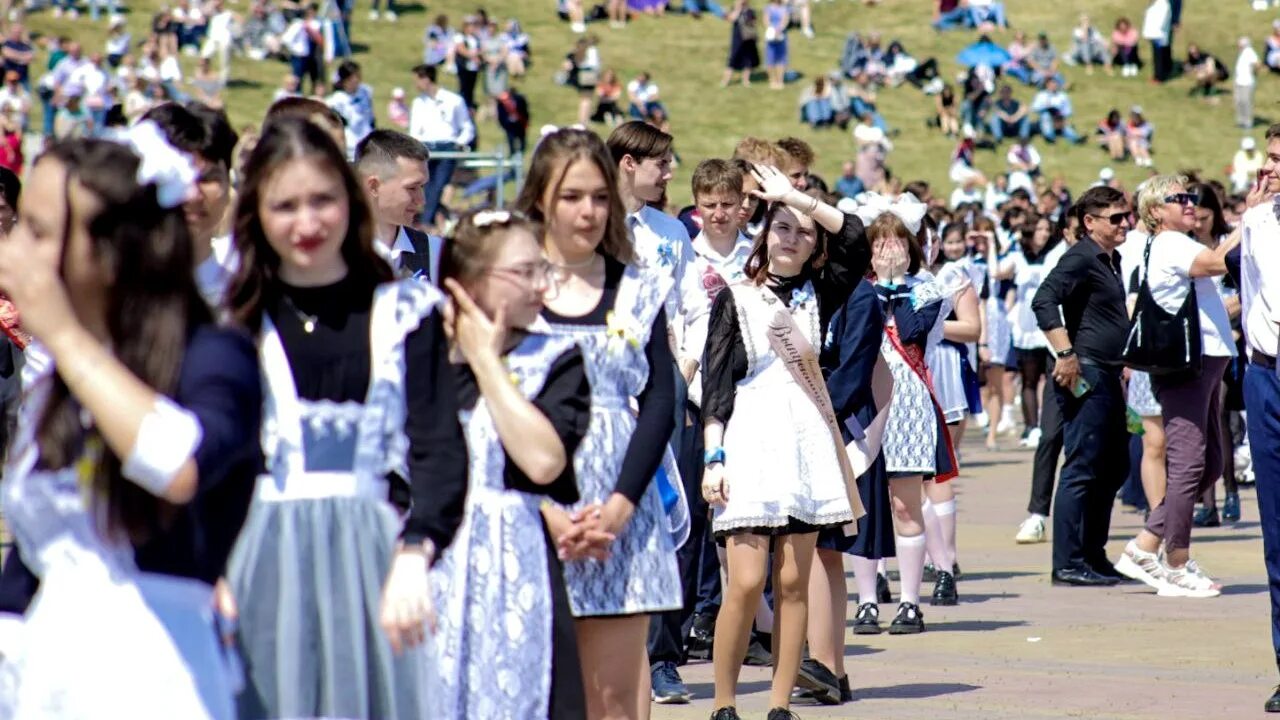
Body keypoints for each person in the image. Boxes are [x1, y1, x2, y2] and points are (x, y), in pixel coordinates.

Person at [0, 133, 262, 718]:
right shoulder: (62, 381)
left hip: (154, 677)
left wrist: (65, 337)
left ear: (111, 251)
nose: (14, 247)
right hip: (45, 677)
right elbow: (31, 566)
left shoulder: (214, 357)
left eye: (38, 231)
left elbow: (178, 465)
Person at [222, 117, 468, 719]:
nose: (306, 224)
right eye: (285, 205)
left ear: (350, 200)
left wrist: (417, 552)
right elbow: (213, 458)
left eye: (322, 201)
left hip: (374, 554)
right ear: (258, 211)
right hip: (255, 555)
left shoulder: (406, 310)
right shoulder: (233, 315)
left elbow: (438, 445)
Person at [514, 128, 683, 720]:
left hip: (622, 509)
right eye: (570, 196)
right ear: (540, 198)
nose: (587, 211)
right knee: (538, 693)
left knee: (613, 700)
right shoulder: (512, 286)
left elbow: (661, 399)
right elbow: (482, 406)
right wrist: (549, 512)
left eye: (598, 197)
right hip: (528, 511)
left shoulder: (641, 286)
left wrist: (617, 508)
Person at [702, 167, 866, 719]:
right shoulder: (736, 298)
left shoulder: (823, 292)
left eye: (801, 230)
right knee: (746, 582)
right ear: (764, 236)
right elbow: (717, 385)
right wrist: (713, 456)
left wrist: (794, 197)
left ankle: (778, 705)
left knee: (795, 580)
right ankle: (724, 703)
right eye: (780, 227)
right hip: (750, 442)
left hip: (805, 446)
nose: (790, 236)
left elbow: (856, 238)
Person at [429, 210, 593, 720]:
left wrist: (487, 363)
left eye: (543, 269)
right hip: (429, 568)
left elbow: (543, 460)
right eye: (524, 272)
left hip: (518, 571)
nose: (541, 284)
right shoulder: (419, 357)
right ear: (469, 283)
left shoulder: (557, 358)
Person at [605, 122, 711, 704]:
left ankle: (664, 655)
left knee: (673, 510)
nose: (670, 172)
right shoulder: (593, 224)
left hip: (663, 380)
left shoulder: (672, 231)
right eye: (660, 163)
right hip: (601, 380)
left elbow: (694, 306)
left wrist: (685, 370)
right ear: (627, 163)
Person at [1114, 176, 1239, 597]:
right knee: (1188, 462)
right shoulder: (1170, 243)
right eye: (1178, 199)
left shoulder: (1177, 242)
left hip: (1204, 362)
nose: (1189, 204)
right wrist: (1251, 221)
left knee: (1211, 464)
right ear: (1155, 211)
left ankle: (1144, 545)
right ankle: (1176, 561)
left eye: (1190, 197)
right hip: (1188, 365)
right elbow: (1218, 263)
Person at [1031, 185, 1133, 586]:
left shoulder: (1111, 258)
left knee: (1113, 466)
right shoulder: (1080, 256)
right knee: (1083, 466)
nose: (1124, 223)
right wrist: (1065, 353)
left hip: (1108, 372)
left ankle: (1092, 553)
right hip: (1085, 372)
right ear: (1090, 223)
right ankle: (1068, 562)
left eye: (1126, 216)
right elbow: (1043, 299)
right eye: (1115, 218)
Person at [1238, 123, 1280, 714]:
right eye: (1269, 157)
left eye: (1277, 159)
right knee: (1276, 530)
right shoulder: (1257, 222)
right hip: (1265, 375)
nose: (1268, 169)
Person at [143, 102, 240, 309]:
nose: (193, 195)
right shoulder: (100, 286)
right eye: (176, 179)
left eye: (207, 179)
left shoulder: (243, 295)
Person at [353, 129, 440, 283]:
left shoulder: (435, 252)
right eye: (412, 188)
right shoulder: (334, 253)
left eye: (422, 187)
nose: (421, 200)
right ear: (373, 186)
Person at [409, 63, 475, 230]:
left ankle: (425, 222)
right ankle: (435, 218)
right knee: (426, 185)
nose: (416, 85)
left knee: (438, 184)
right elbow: (415, 130)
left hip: (447, 147)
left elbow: (467, 127)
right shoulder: (418, 103)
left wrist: (459, 143)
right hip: (426, 148)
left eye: (417, 80)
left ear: (426, 79)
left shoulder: (453, 100)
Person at [327, 59, 375, 160]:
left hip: (368, 143)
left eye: (358, 76)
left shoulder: (365, 92)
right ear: (345, 80)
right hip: (351, 147)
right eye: (354, 78)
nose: (357, 80)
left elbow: (370, 117)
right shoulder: (336, 101)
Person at [723, 0, 759, 88]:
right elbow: (731, 19)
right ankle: (725, 81)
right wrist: (738, 9)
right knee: (732, 59)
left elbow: (754, 22)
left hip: (748, 39)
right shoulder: (735, 9)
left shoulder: (750, 11)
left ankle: (746, 80)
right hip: (737, 38)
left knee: (748, 60)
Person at [1143, 0, 1173, 83]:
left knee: (1159, 57)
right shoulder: (1155, 4)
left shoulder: (1163, 4)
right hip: (1155, 35)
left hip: (1158, 36)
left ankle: (1159, 77)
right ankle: (1157, 75)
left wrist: (1154, 32)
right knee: (1156, 56)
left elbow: (1161, 21)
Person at [762, 0, 789, 90]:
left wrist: (780, 28)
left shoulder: (784, 8)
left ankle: (780, 80)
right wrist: (773, 29)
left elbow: (785, 20)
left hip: (782, 35)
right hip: (771, 35)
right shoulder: (768, 8)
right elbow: (766, 21)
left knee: (781, 58)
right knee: (770, 58)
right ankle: (772, 80)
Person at [1236, 36, 1261, 130]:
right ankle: (1241, 120)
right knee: (1239, 101)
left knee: (1246, 102)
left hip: (1247, 82)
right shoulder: (1242, 53)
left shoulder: (1249, 52)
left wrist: (1255, 73)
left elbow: (1257, 63)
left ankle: (1248, 122)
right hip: (1239, 82)